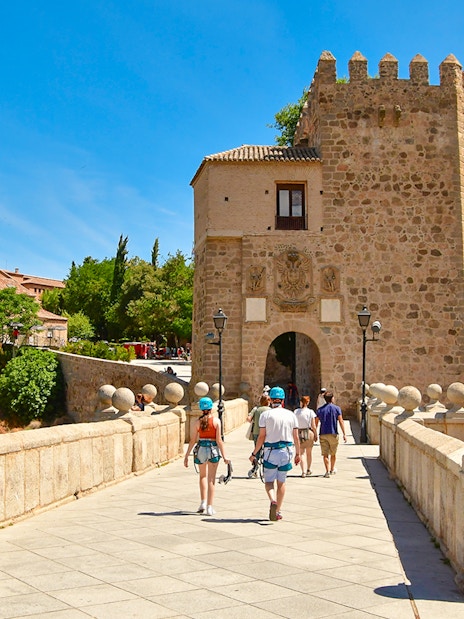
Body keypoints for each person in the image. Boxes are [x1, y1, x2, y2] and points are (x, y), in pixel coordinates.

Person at [249, 386, 300, 521]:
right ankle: (278, 511)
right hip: (287, 451)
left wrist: (254, 453)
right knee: (282, 482)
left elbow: (261, 437)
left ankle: (272, 500)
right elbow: (296, 437)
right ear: (283, 400)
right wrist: (298, 454)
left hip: (271, 451)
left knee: (269, 482)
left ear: (271, 400)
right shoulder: (291, 415)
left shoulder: (266, 415)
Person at [184, 397, 229, 516]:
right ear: (210, 408)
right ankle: (210, 506)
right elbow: (219, 440)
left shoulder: (197, 423)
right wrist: (225, 456)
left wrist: (186, 455)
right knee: (211, 479)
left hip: (201, 449)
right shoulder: (216, 421)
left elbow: (193, 440)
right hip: (213, 449)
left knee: (202, 476)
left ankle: (203, 502)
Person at [315, 391, 347, 478]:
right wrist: (344, 433)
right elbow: (341, 421)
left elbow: (316, 422)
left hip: (323, 433)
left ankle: (327, 471)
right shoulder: (337, 409)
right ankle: (332, 469)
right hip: (333, 433)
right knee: (333, 453)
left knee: (325, 454)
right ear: (332, 398)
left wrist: (314, 433)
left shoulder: (320, 410)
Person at [246, 394, 270, 477]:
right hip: (268, 433)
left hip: (257, 432)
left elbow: (248, 419)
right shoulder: (270, 410)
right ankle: (265, 470)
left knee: (257, 450)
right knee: (267, 451)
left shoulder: (256, 409)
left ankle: (255, 469)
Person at [293, 395, 317, 477]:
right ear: (308, 402)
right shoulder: (310, 412)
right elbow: (313, 425)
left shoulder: (296, 412)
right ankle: (308, 469)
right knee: (309, 453)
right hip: (308, 432)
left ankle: (303, 471)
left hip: (300, 432)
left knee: (301, 453)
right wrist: (316, 434)